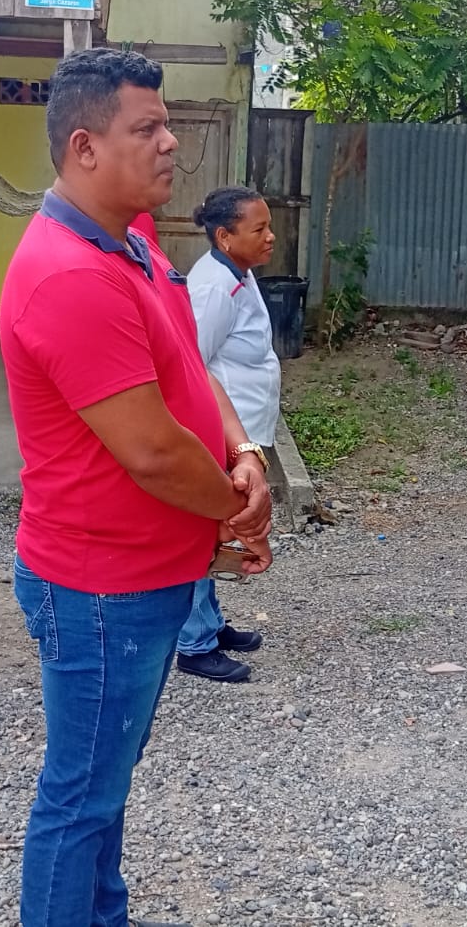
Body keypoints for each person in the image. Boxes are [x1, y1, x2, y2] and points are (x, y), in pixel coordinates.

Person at [0, 48, 274, 927]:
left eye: (167, 124)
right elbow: (152, 452)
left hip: (144, 572)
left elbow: (190, 363)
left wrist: (242, 450)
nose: (170, 143)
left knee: (103, 787)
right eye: (147, 128)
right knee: (80, 796)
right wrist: (239, 513)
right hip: (100, 585)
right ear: (85, 146)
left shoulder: (132, 242)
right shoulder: (71, 273)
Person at [177, 186, 281, 682]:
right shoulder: (213, 288)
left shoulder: (237, 272)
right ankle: (194, 642)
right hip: (223, 434)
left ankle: (211, 624)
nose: (270, 236)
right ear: (225, 236)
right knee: (208, 530)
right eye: (259, 229)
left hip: (243, 432)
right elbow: (191, 365)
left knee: (223, 529)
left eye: (268, 226)